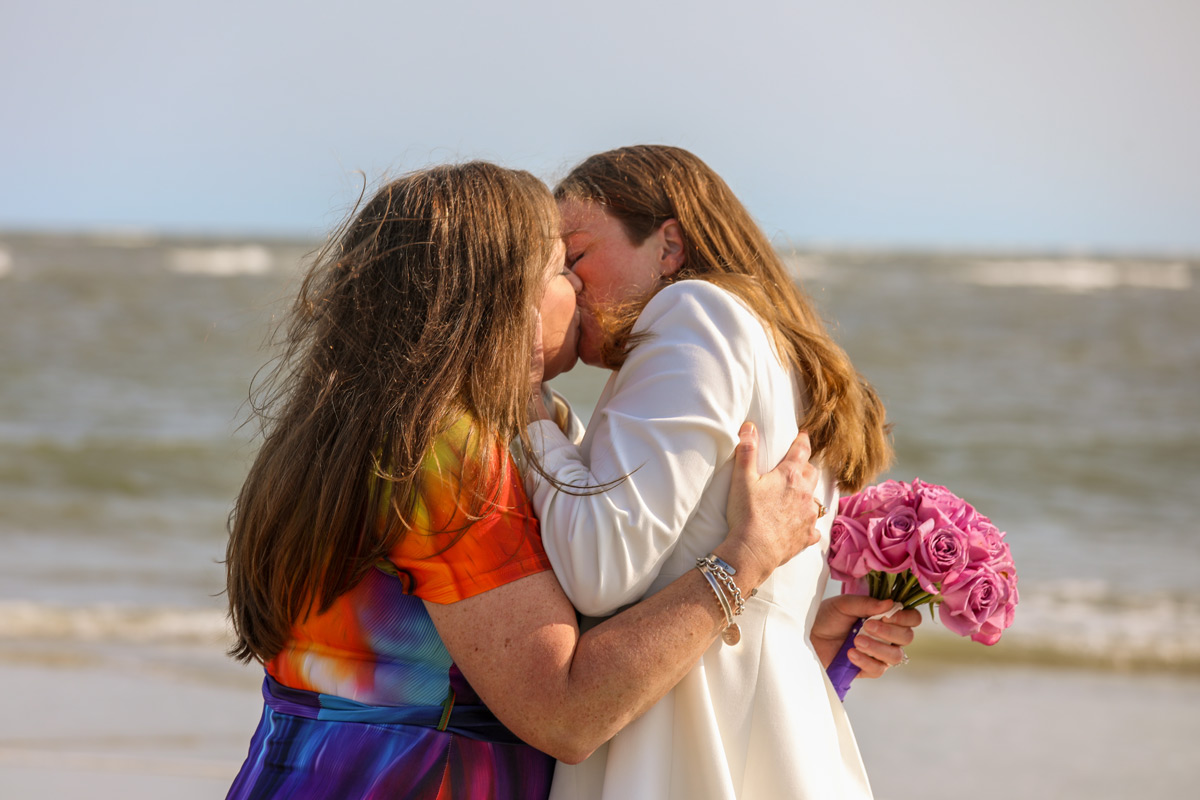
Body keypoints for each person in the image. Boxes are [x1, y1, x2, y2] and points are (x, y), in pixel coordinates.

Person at [223, 161, 825, 799]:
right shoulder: (448, 455)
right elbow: (567, 713)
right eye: (561, 268)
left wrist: (798, 638)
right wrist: (744, 563)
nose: (579, 287)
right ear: (502, 297)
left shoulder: (346, 430)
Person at [525, 145, 921, 799]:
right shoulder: (775, 347)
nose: (568, 284)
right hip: (773, 730)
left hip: (678, 739)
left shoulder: (692, 314)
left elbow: (598, 567)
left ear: (668, 245)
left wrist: (530, 412)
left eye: (577, 255)